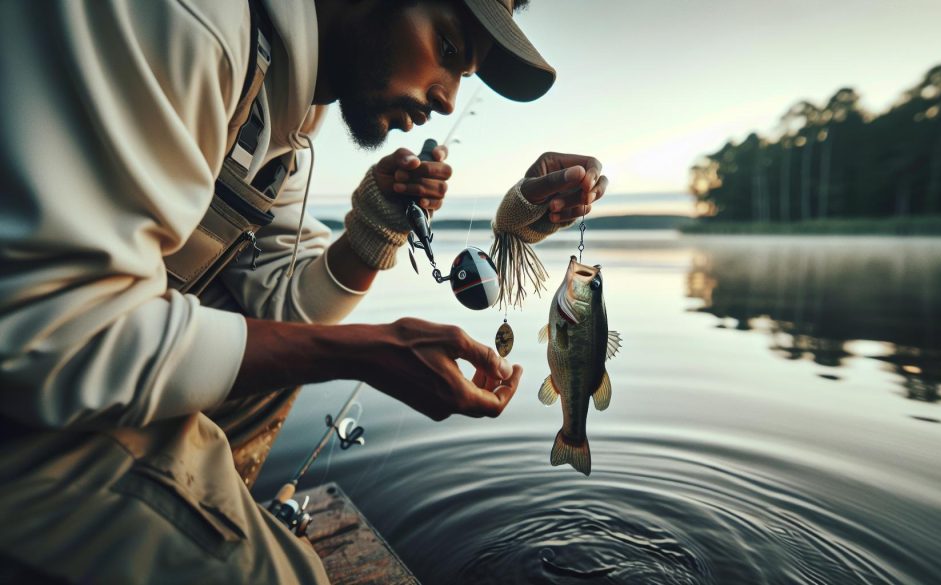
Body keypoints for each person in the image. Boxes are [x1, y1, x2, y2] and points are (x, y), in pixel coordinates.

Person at [0, 0, 608, 582]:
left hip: (67, 374)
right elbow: (52, 333)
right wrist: (362, 353)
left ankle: (189, 510)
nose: (447, 99)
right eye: (447, 45)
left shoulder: (286, 110)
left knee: (273, 359)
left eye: (462, 72)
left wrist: (375, 228)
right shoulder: (198, 23)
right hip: (30, 392)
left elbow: (281, 307)